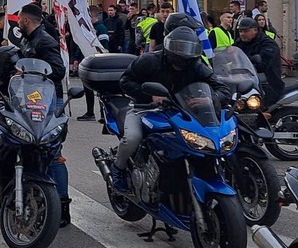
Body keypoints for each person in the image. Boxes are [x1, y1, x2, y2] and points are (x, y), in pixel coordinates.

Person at [116, 26, 232, 191]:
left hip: (182, 111)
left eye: (188, 47)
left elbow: (222, 88)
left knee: (208, 139)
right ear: (169, 46)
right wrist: (149, 96)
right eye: (179, 47)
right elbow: (125, 82)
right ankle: (118, 169)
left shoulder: (196, 66)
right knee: (133, 138)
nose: (184, 53)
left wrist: (210, 99)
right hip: (144, 108)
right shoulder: (149, 60)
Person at [16, 3, 72, 226]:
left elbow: (58, 70)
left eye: (20, 18)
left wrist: (28, 71)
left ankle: (62, 206)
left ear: (27, 21)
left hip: (49, 101)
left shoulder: (45, 41)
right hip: (32, 98)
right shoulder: (28, 39)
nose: (17, 22)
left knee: (53, 151)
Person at [235, 16, 284, 107]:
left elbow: (262, 65)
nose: (242, 34)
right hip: (245, 82)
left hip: (267, 84)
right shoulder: (241, 43)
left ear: (255, 30)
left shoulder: (268, 44)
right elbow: (232, 55)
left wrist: (252, 60)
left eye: (246, 31)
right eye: (240, 31)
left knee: (257, 109)